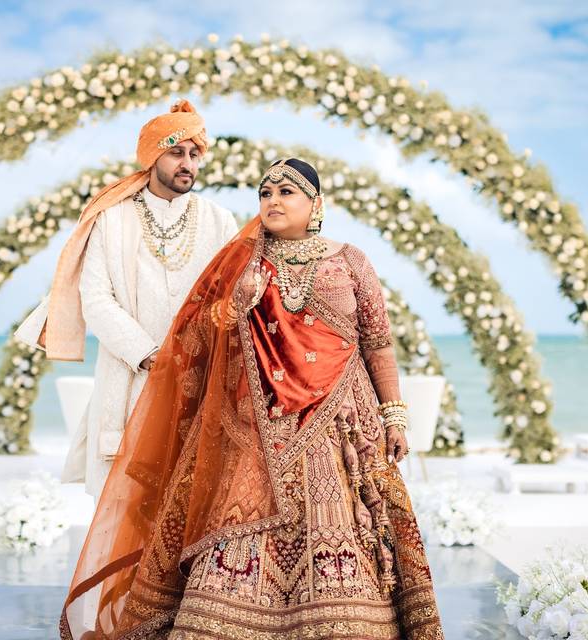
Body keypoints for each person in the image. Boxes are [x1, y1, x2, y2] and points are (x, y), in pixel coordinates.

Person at [59, 158, 444, 639]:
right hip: (256, 424)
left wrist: (394, 416)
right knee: (240, 521)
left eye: (288, 192)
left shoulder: (350, 260)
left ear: (316, 204)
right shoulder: (239, 261)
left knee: (343, 519)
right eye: (266, 193)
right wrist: (236, 305)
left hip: (340, 420)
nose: (274, 202)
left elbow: (378, 342)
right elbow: (202, 332)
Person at [32, 99, 239, 500]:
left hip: (199, 380)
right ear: (152, 157)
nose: (188, 164)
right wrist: (150, 355)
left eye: (195, 154)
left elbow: (229, 297)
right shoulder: (113, 219)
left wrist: (193, 353)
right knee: (126, 509)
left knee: (191, 507)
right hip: (130, 380)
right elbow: (95, 298)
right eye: (177, 152)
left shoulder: (219, 220)